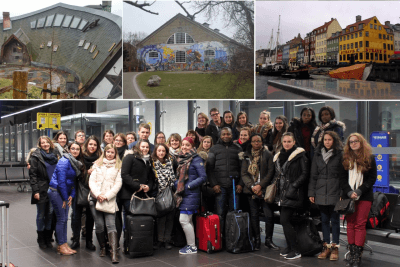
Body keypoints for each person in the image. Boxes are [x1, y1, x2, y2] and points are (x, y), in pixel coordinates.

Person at [340, 133, 377, 267]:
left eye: (356, 141)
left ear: (361, 143)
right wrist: (349, 192)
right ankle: (351, 252)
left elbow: (372, 178)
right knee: (350, 225)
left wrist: (359, 191)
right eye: (351, 142)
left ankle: (357, 256)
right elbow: (342, 179)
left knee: (359, 225)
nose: (353, 144)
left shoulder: (369, 158)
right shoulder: (345, 158)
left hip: (365, 196)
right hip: (348, 196)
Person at [272, 132, 309, 260]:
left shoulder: (300, 156)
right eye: (285, 141)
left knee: (284, 220)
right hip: (282, 193)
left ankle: (295, 249)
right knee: (285, 221)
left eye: (289, 141)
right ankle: (289, 246)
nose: (287, 144)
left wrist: (293, 186)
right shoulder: (279, 156)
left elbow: (305, 174)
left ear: (294, 142)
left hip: (294, 194)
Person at [309, 131, 345, 261]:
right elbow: (313, 175)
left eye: (330, 140)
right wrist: (311, 192)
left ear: (334, 141)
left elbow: (343, 176)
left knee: (335, 221)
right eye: (325, 140)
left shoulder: (340, 154)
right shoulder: (318, 154)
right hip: (320, 191)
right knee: (324, 221)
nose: (327, 142)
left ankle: (335, 247)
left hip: (335, 190)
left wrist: (342, 193)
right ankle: (326, 246)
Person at [241, 134, 277, 251]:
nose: (256, 143)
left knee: (269, 215)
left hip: (265, 190)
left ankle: (268, 240)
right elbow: (244, 174)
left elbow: (271, 172)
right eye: (254, 141)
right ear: (250, 143)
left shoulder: (267, 154)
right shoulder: (247, 156)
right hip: (251, 190)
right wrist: (252, 186)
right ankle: (257, 240)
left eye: (259, 141)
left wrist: (260, 186)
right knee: (254, 215)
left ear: (262, 142)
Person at [48, 142, 85, 256]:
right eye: (73, 148)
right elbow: (61, 182)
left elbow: (74, 181)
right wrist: (65, 198)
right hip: (56, 192)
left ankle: (64, 244)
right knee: (62, 219)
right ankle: (61, 245)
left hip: (65, 193)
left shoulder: (74, 162)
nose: (75, 151)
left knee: (64, 219)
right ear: (68, 150)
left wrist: (71, 196)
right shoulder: (64, 161)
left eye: (77, 149)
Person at [89, 144, 122, 263]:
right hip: (95, 198)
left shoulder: (118, 166)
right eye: (108, 152)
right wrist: (98, 195)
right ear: (104, 152)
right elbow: (91, 182)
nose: (109, 154)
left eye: (112, 152)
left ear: (115, 154)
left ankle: (113, 252)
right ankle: (103, 248)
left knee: (111, 225)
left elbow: (118, 184)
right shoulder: (97, 164)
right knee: (99, 225)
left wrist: (106, 196)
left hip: (109, 200)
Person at [207, 127, 243, 235]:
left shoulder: (238, 148)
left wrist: (241, 184)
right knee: (220, 213)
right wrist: (214, 184)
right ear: (220, 135)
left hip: (234, 186)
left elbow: (243, 169)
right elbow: (209, 168)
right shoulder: (213, 149)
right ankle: (220, 237)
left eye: (228, 134)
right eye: (223, 134)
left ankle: (232, 238)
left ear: (232, 135)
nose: (226, 136)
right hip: (219, 187)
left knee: (234, 213)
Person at [174, 137, 207, 254]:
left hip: (191, 194)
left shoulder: (196, 159)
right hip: (184, 194)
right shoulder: (182, 159)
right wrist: (176, 184)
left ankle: (192, 247)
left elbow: (203, 177)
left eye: (187, 145)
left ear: (193, 147)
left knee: (183, 220)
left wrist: (188, 186)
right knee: (188, 220)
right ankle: (191, 245)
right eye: (183, 145)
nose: (184, 147)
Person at [70, 136, 102, 251]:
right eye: (90, 144)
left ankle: (89, 241)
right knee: (76, 216)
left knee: (90, 217)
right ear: (86, 145)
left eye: (95, 145)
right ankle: (75, 240)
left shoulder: (100, 159)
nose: (92, 147)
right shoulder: (80, 157)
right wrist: (87, 173)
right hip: (80, 189)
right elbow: (75, 174)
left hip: (93, 191)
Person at [29, 136, 59, 249]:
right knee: (41, 215)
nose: (45, 144)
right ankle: (40, 239)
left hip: (53, 189)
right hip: (41, 189)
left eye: (47, 142)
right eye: (43, 143)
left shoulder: (55, 155)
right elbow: (33, 175)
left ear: (50, 143)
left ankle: (47, 238)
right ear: (40, 144)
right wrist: (35, 190)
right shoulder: (36, 156)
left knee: (50, 214)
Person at [120, 139, 155, 236]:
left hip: (143, 194)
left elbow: (152, 178)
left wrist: (149, 187)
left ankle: (139, 243)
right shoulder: (130, 157)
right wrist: (136, 186)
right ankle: (128, 243)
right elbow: (125, 175)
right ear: (138, 147)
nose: (145, 149)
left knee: (140, 220)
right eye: (143, 146)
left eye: (147, 147)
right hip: (129, 194)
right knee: (130, 218)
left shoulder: (149, 160)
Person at [152, 143, 176, 250]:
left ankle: (167, 240)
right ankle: (160, 240)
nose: (161, 153)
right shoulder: (152, 163)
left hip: (170, 192)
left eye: (163, 151)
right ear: (155, 152)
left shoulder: (170, 162)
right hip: (158, 193)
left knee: (170, 218)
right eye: (159, 151)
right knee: (161, 218)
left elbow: (173, 178)